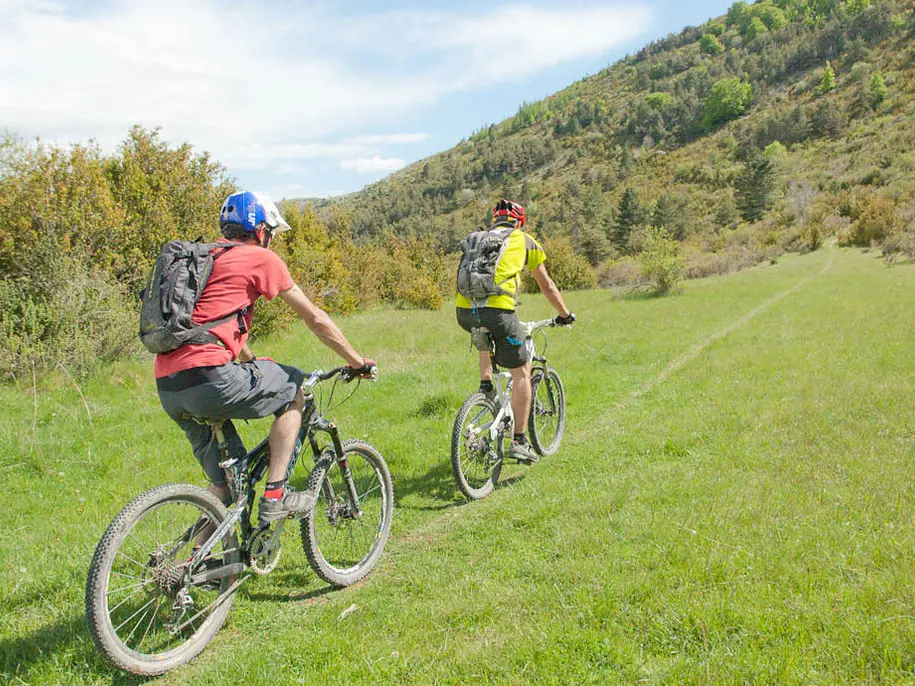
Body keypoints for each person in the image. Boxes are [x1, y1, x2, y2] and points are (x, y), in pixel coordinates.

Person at [155, 191, 374, 528]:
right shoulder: (259, 257)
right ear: (260, 230)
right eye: (271, 232)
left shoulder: (204, 259)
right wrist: (357, 362)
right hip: (211, 377)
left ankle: (195, 556)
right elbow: (315, 318)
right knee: (294, 389)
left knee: (228, 484)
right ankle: (276, 495)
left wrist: (251, 361)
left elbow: (215, 327)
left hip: (169, 385)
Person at [456, 198, 575, 463]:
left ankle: (486, 386)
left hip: (464, 312)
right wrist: (565, 314)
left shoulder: (480, 239)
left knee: (485, 333)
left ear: (495, 220)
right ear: (519, 222)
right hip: (498, 312)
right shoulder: (524, 240)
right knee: (522, 373)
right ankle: (520, 441)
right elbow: (546, 285)